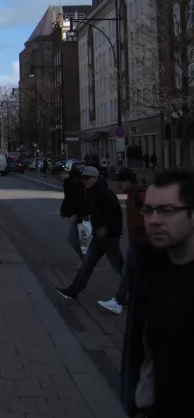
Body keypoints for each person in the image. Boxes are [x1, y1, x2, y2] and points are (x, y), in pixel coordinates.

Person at [121, 168, 194, 417]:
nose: (153, 220)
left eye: (167, 211)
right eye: (148, 210)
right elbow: (140, 350)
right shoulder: (149, 267)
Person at [56, 165, 124, 302]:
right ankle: (72, 291)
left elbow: (117, 215)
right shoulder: (90, 191)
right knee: (86, 265)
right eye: (83, 178)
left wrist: (107, 229)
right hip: (97, 236)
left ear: (95, 178)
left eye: (87, 178)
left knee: (119, 266)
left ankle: (136, 288)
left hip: (109, 237)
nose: (85, 181)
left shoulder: (105, 194)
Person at [98, 170, 149, 315]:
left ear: (127, 181)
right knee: (130, 271)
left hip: (142, 241)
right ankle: (125, 300)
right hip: (136, 240)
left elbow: (147, 218)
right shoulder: (132, 195)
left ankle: (119, 301)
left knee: (130, 272)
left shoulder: (139, 195)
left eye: (120, 181)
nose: (118, 185)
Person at [53, 163, 90, 260]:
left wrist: (80, 215)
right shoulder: (68, 182)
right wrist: (64, 209)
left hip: (80, 214)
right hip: (75, 213)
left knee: (74, 238)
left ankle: (85, 260)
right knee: (81, 238)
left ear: (62, 173)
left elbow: (80, 200)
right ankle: (86, 259)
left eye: (58, 177)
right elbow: (68, 199)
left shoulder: (74, 182)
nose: (58, 179)